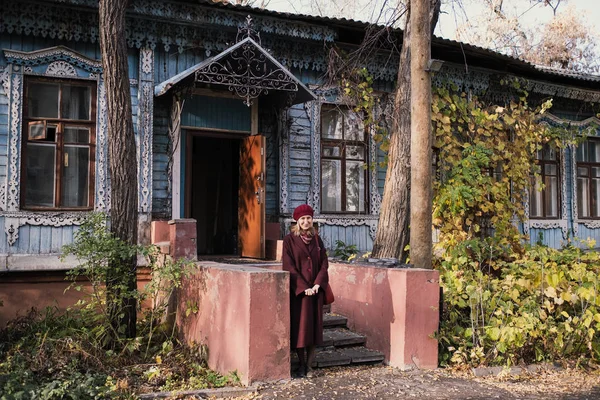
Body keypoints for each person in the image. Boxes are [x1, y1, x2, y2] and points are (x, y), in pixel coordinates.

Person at [282, 204, 329, 378]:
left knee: (314, 329)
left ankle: (310, 366)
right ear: (297, 221)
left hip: (316, 292)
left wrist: (317, 284)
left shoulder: (317, 239)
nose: (306, 221)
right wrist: (303, 287)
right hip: (300, 293)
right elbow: (288, 266)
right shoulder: (289, 240)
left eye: (308, 218)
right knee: (300, 329)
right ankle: (301, 365)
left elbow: (324, 263)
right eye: (302, 219)